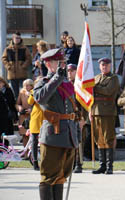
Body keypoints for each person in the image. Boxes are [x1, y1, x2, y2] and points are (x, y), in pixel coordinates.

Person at [33, 48, 79, 200]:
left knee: (61, 176)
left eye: (63, 62)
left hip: (69, 135)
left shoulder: (67, 83)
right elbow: (41, 99)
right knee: (48, 177)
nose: (62, 65)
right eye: (58, 62)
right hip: (53, 135)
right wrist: (56, 77)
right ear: (48, 64)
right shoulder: (43, 82)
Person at [90, 58, 120, 175]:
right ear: (99, 66)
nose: (104, 67)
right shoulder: (96, 78)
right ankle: (102, 165)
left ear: (110, 66)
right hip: (96, 110)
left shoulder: (113, 78)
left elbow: (108, 91)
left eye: (106, 65)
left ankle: (109, 166)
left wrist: (94, 87)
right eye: (102, 65)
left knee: (108, 138)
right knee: (99, 139)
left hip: (107, 111)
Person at [1, 32, 32, 98]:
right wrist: (8, 66)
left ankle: (23, 106)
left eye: (19, 38)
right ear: (13, 38)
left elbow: (29, 58)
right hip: (12, 75)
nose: (18, 39)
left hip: (22, 74)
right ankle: (16, 107)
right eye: (16, 38)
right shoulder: (8, 49)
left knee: (23, 92)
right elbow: (4, 59)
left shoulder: (24, 48)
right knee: (14, 93)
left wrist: (23, 66)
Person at [67, 63, 84, 173]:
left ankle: (79, 163)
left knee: (78, 141)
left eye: (72, 71)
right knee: (69, 141)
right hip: (68, 116)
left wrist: (83, 118)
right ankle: (71, 163)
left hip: (78, 117)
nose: (69, 73)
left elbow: (83, 103)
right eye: (68, 71)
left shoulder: (80, 85)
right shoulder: (65, 84)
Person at [27, 77, 44, 171]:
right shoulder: (33, 91)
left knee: (45, 141)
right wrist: (33, 92)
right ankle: (35, 162)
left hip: (45, 118)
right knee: (34, 141)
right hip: (36, 118)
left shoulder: (46, 90)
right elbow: (29, 102)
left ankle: (45, 161)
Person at [16, 79, 34, 148]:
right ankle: (25, 153)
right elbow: (17, 104)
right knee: (24, 135)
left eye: (28, 85)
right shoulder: (22, 93)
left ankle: (32, 153)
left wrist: (32, 110)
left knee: (33, 135)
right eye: (25, 86)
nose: (26, 87)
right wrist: (20, 108)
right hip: (23, 117)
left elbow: (39, 105)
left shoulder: (35, 92)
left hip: (33, 116)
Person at [0, 77, 17, 147]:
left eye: (0, 82)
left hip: (7, 116)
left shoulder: (8, 90)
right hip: (0, 115)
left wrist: (16, 117)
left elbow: (13, 103)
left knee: (7, 133)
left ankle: (5, 148)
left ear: (4, 83)